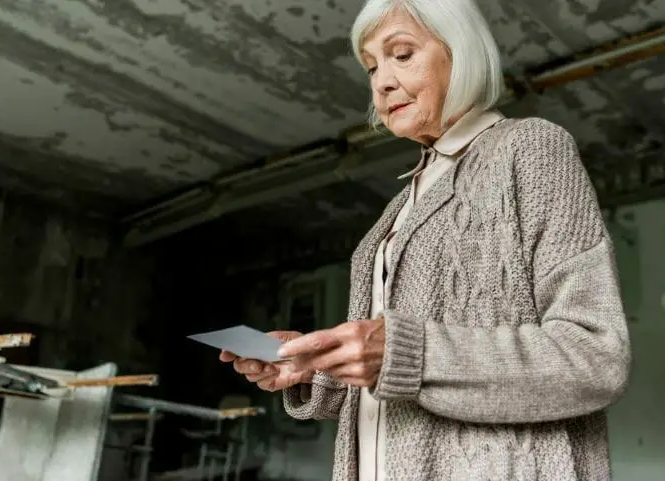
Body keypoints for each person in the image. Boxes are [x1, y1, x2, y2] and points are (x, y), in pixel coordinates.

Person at [220, 0, 632, 479]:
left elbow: (595, 358)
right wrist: (320, 367)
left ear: (461, 53)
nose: (382, 81)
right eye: (372, 66)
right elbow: (395, 376)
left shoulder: (531, 149)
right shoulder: (399, 208)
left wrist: (402, 353)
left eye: (401, 54)